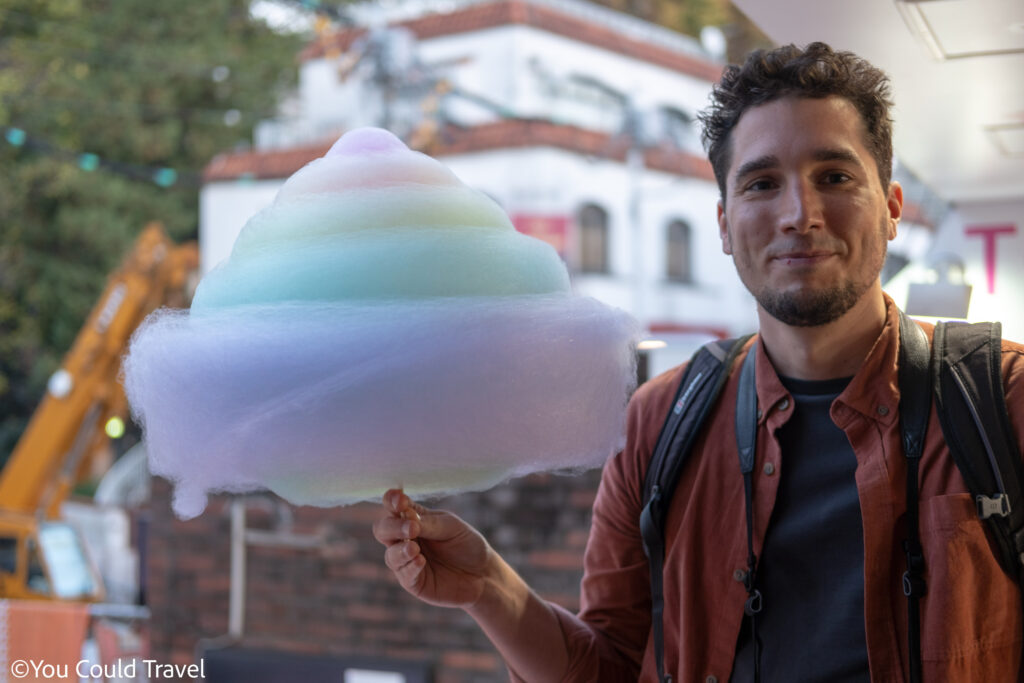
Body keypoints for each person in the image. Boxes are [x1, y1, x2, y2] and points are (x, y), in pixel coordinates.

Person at [373, 42, 1024, 681]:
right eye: (762, 183)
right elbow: (611, 664)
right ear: (722, 222)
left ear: (891, 208)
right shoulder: (661, 423)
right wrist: (488, 583)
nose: (799, 213)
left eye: (835, 176)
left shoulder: (1003, 401)